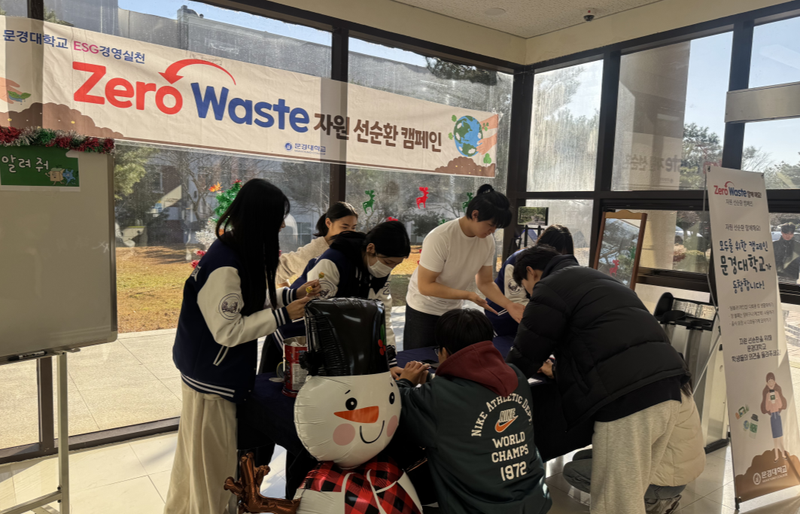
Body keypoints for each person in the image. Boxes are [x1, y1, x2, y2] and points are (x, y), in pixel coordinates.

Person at [507, 245, 705, 514]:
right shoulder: (599, 278)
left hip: (629, 399)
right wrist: (558, 370)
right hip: (669, 386)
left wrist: (498, 381)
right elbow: (602, 346)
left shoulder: (550, 286)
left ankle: (656, 502)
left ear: (531, 272)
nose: (529, 295)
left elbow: (527, 351)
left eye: (525, 287)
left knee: (616, 502)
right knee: (631, 488)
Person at [165, 179, 319, 514]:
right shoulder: (225, 264)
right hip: (210, 379)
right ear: (261, 219)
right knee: (213, 472)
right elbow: (229, 331)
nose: (282, 225)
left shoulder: (237, 250)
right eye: (278, 218)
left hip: (212, 373)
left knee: (197, 464)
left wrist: (292, 295)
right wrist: (283, 315)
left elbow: (251, 300)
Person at [397, 309, 551, 514]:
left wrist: (405, 381)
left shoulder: (437, 397)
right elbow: (476, 393)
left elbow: (398, 406)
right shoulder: (517, 376)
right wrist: (433, 381)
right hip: (534, 500)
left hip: (477, 508)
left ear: (444, 352)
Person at [278, 221, 411, 375]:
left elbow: (382, 316)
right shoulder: (333, 262)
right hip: (297, 333)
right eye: (388, 262)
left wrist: (389, 362)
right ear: (370, 248)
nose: (389, 269)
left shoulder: (380, 271)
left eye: (395, 265)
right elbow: (318, 316)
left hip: (338, 331)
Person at [404, 184, 517, 349]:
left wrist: (508, 305)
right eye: (490, 225)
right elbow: (425, 285)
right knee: (421, 359)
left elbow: (485, 282)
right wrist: (467, 295)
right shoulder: (440, 237)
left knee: (453, 358)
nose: (492, 231)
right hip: (424, 309)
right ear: (475, 214)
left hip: (452, 310)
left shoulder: (487, 241)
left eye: (496, 227)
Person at [485, 225, 574, 337]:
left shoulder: (563, 268)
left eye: (563, 256)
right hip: (503, 315)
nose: (558, 261)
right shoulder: (517, 261)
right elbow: (517, 301)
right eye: (555, 255)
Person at [275, 201, 358, 286]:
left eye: (353, 227)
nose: (350, 232)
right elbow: (279, 269)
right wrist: (290, 293)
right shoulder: (314, 251)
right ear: (328, 223)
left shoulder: (353, 247)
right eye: (344, 227)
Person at [761, 372, 789, 462]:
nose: (771, 383)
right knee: (775, 438)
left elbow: (780, 405)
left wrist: (776, 400)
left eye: (772, 381)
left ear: (775, 382)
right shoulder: (767, 395)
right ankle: (776, 456)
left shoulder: (777, 393)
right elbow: (767, 408)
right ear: (767, 383)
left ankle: (783, 454)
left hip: (778, 415)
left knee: (781, 436)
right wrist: (770, 401)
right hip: (772, 416)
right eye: (769, 381)